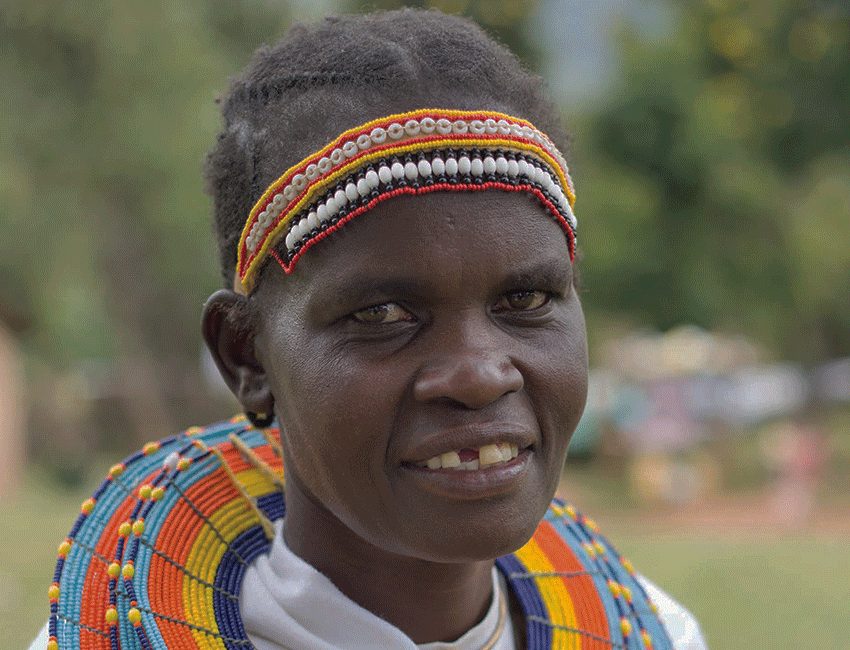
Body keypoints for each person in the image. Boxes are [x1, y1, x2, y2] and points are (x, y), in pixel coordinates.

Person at [33, 9, 706, 649]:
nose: (478, 374)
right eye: (382, 315)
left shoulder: (661, 633)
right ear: (247, 358)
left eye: (525, 298)